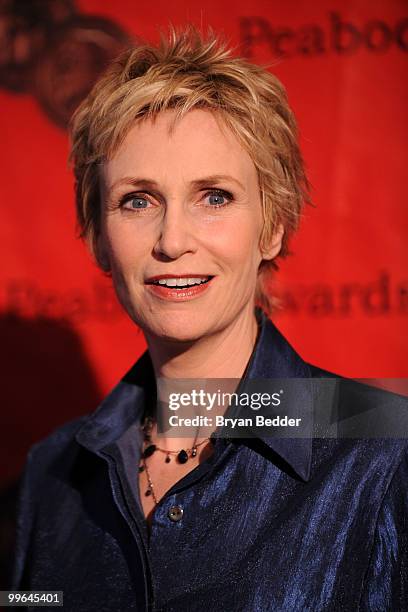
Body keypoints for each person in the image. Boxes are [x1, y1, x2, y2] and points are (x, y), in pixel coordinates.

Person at [12, 25, 408, 612]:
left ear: (272, 226)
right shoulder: (53, 473)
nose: (172, 240)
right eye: (137, 200)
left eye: (215, 196)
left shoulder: (385, 448)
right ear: (98, 236)